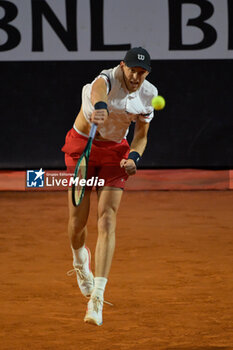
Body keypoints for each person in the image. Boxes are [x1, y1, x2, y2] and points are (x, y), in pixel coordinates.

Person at [62, 47, 158, 326]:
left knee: (107, 220)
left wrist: (134, 157)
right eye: (133, 71)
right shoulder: (104, 80)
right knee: (77, 223)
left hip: (116, 153)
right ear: (122, 67)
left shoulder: (149, 94)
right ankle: (80, 261)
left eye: (142, 72)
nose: (137, 77)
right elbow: (98, 92)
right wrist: (101, 107)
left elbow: (141, 135)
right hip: (83, 148)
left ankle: (97, 299)